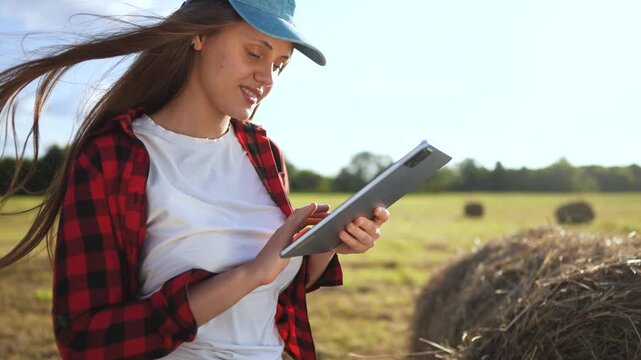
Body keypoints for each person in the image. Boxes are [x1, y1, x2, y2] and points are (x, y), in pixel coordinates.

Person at [0, 0, 390, 359]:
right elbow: (86, 340)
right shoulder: (115, 157)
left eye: (280, 65)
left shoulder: (262, 152)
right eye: (255, 53)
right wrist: (249, 274)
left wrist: (326, 244)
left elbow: (271, 293)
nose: (267, 78)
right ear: (198, 35)